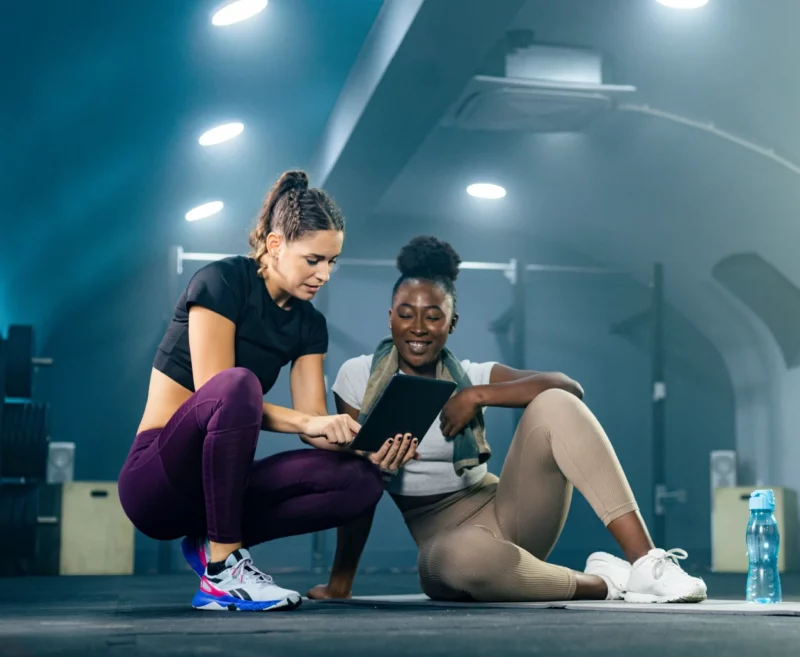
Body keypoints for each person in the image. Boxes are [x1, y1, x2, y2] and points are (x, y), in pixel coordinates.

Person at [309, 235, 708, 604]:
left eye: (433, 316)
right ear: (391, 317)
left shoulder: (474, 374)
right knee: (463, 558)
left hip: (509, 513)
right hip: (445, 544)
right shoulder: (358, 376)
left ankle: (646, 563)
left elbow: (568, 387)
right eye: (406, 314)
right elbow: (355, 485)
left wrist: (477, 395)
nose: (418, 328)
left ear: (452, 323)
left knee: (554, 402)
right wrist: (341, 581)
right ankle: (606, 583)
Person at [118, 170, 414, 612]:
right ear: (275, 245)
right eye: (314, 259)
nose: (324, 275)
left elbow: (311, 425)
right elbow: (216, 392)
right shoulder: (221, 282)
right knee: (238, 384)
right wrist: (310, 420)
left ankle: (210, 541)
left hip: (217, 492)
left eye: (332, 262)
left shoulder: (310, 325)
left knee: (359, 484)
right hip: (158, 480)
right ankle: (223, 570)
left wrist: (363, 446)